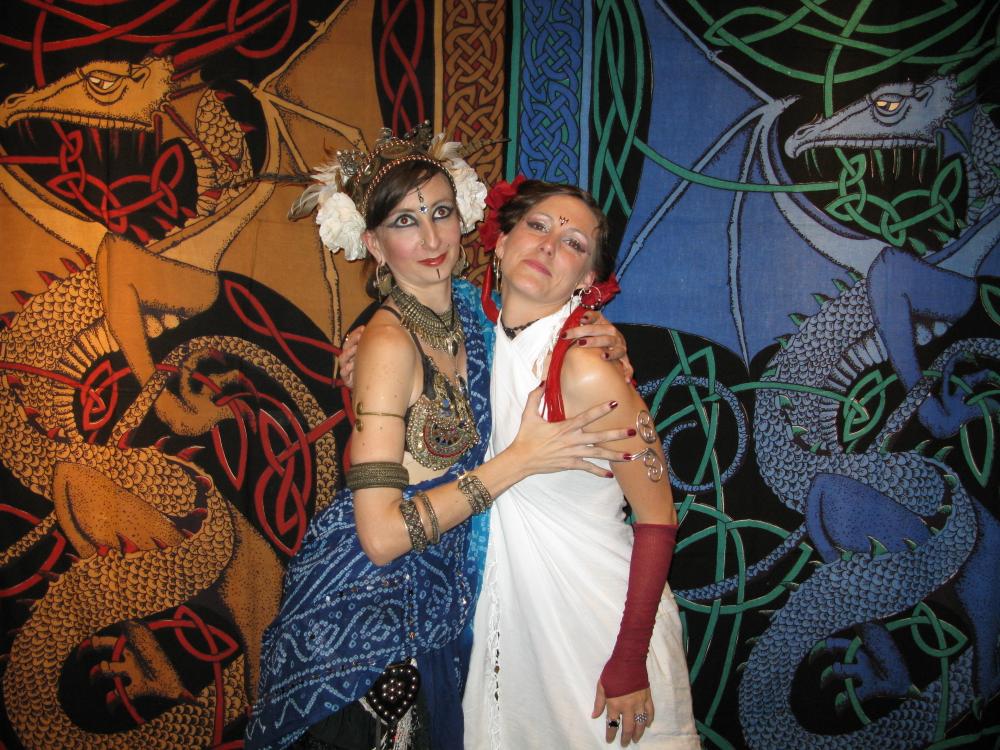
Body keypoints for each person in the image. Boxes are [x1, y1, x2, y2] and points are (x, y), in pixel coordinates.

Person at [245, 126, 632, 750]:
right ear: (373, 244)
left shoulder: (473, 313)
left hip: (447, 599)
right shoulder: (388, 343)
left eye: (441, 213)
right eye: (405, 221)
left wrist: (604, 333)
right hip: (368, 614)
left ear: (465, 219)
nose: (430, 239)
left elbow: (543, 321)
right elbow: (380, 537)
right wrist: (520, 460)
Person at [460, 179, 700, 748]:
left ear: (588, 281)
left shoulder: (586, 368)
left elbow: (658, 517)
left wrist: (630, 657)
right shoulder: (472, 342)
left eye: (573, 244)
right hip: (512, 623)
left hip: (597, 625)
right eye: (537, 226)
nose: (548, 245)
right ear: (501, 243)